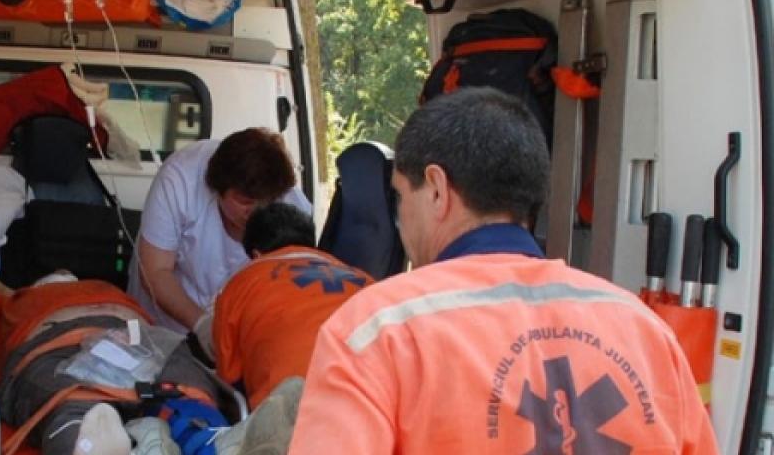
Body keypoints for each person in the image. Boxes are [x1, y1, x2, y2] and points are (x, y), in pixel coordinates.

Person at [287, 88, 717, 454]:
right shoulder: (645, 331)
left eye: (401, 196)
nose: (400, 219)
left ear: (436, 189)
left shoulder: (375, 333)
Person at [0, 244, 300, 455]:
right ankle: (217, 441)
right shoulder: (95, 292)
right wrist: (2, 290)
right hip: (145, 343)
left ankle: (91, 443)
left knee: (72, 406)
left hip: (61, 344)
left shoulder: (15, 305)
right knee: (181, 397)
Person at [128, 128, 311, 332]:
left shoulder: (292, 208)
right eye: (245, 201)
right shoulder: (180, 178)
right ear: (217, 189)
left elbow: (291, 289)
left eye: (267, 202)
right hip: (162, 324)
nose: (255, 212)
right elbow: (156, 272)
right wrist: (203, 326)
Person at [194, 202, 372, 409]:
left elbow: (229, 380)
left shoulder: (242, 283)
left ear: (256, 255)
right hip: (377, 402)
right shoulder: (365, 279)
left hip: (292, 411)